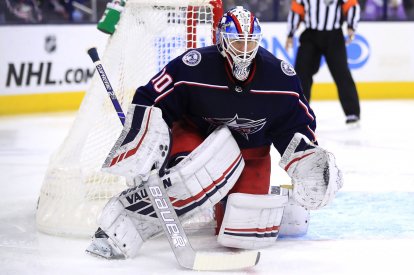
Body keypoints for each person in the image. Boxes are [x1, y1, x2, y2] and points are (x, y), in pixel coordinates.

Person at [85, 6, 343, 260]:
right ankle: (121, 223)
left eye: (249, 43)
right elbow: (151, 98)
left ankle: (279, 204)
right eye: (236, 43)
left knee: (242, 233)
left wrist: (308, 160)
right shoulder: (194, 67)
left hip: (252, 152)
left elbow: (295, 125)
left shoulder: (280, 78)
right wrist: (143, 148)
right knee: (188, 179)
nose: (244, 51)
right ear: (222, 41)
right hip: (197, 139)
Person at [285, 0, 361, 124]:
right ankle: (298, 111)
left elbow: (352, 5)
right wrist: (290, 33)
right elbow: (296, 10)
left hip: (334, 36)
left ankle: (352, 112)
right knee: (301, 73)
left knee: (341, 72)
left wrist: (351, 26)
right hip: (310, 35)